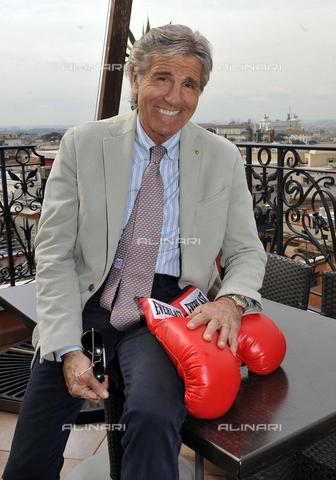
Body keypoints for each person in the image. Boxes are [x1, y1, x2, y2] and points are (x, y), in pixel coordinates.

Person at [3, 24, 266, 480]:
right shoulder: (84, 144)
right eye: (162, 77)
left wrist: (231, 299)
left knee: (153, 416)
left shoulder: (221, 156)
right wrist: (67, 349)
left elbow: (247, 251)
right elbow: (55, 250)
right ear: (135, 79)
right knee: (34, 441)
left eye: (190, 85)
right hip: (89, 296)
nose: (175, 96)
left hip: (167, 309)